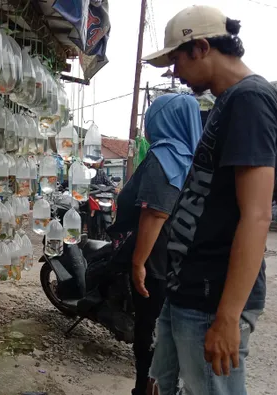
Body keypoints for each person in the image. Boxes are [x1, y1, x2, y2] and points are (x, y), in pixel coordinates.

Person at [141, 5, 277, 394]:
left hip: (211, 298)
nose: (175, 73)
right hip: (187, 286)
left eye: (176, 60)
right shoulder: (227, 101)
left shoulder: (252, 101)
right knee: (160, 385)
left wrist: (227, 317)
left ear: (201, 47)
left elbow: (256, 216)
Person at [108, 93, 203, 395]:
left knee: (149, 336)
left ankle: (145, 390)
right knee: (171, 338)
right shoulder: (195, 156)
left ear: (163, 120)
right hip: (181, 262)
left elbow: (155, 212)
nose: (148, 125)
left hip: (155, 263)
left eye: (152, 117)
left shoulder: (165, 154)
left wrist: (137, 263)